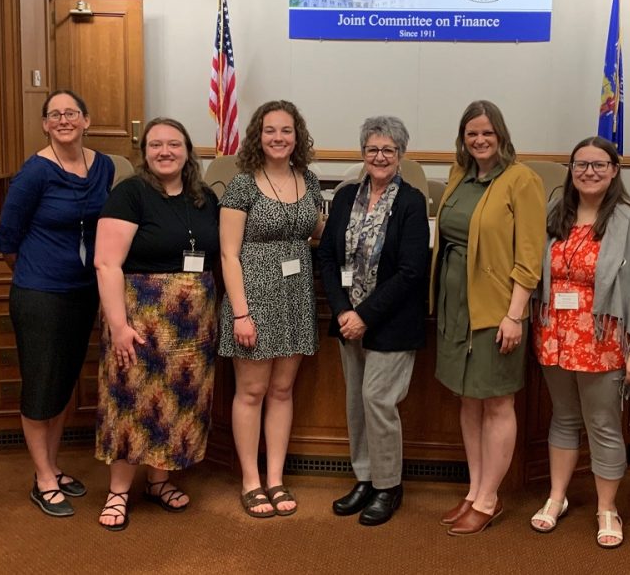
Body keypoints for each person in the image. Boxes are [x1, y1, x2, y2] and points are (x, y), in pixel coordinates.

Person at [529, 136, 630, 547]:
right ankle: (557, 498)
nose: (589, 172)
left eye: (599, 165)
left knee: (603, 424)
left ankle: (608, 508)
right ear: (570, 170)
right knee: (564, 418)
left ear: (614, 170)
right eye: (581, 164)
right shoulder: (553, 213)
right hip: (554, 335)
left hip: (603, 340)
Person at [93, 118, 219, 531]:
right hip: (139, 319)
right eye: (156, 144)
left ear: (187, 150)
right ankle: (119, 492)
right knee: (130, 402)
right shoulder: (130, 194)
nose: (165, 151)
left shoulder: (203, 198)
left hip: (192, 326)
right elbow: (107, 263)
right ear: (144, 151)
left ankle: (159, 481)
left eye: (174, 144)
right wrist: (118, 325)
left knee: (177, 403)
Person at [430, 99, 545, 536]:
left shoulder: (522, 180)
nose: (479, 140)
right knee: (467, 398)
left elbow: (530, 255)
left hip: (497, 311)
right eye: (471, 133)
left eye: (487, 133)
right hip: (454, 307)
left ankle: (490, 497)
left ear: (501, 136)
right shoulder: (459, 176)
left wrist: (515, 315)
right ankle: (475, 489)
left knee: (497, 401)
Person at [0, 90, 113, 517]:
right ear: (45, 124)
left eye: (72, 113)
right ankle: (43, 477)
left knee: (63, 383)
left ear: (86, 120)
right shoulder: (34, 173)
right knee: (41, 385)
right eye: (55, 115)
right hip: (40, 294)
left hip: (85, 290)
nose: (64, 120)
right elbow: (7, 238)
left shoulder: (103, 166)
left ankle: (53, 464)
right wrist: (37, 273)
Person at [317, 116, 429, 526]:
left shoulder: (412, 201)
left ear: (400, 156)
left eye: (388, 150)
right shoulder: (345, 197)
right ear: (362, 153)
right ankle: (363, 477)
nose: (379, 157)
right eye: (372, 149)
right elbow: (327, 257)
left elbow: (412, 270)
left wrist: (364, 315)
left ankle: (388, 486)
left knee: (378, 401)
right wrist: (345, 311)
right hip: (349, 321)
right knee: (356, 403)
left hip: (391, 322)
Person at [219, 100, 323, 518]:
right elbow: (228, 255)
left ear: (297, 136)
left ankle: (276, 477)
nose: (278, 138)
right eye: (270, 131)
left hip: (296, 296)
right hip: (253, 295)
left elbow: (316, 231)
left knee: (282, 391)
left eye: (286, 130)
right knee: (251, 392)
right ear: (257, 137)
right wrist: (241, 313)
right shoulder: (242, 185)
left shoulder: (309, 180)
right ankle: (250, 480)